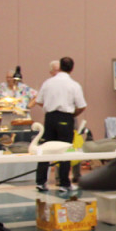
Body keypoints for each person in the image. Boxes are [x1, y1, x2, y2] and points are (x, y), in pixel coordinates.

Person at [31, 56, 86, 193]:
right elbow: (82, 106)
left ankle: (41, 182)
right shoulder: (74, 85)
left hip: (49, 118)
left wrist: (50, 110)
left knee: (44, 149)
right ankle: (64, 183)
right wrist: (71, 115)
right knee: (65, 151)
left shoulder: (48, 83)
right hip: (65, 118)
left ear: (60, 66)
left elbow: (39, 101)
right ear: (72, 69)